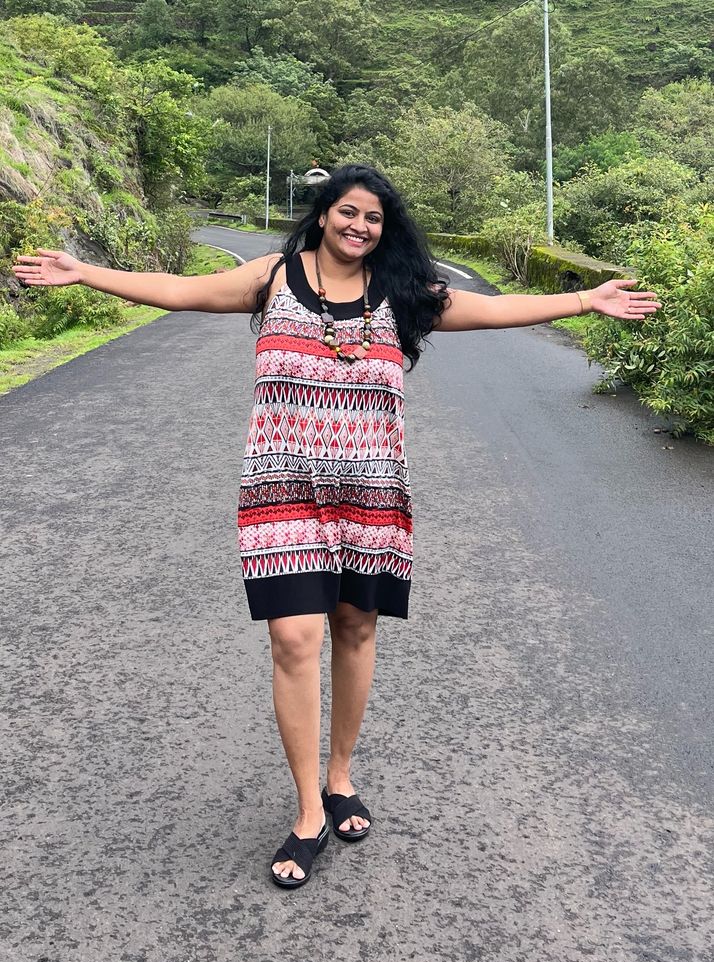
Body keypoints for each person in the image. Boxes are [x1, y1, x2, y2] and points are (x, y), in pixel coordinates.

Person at [12, 163, 662, 889]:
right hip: (281, 488)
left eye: (374, 219)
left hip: (371, 493)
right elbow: (180, 292)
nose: (360, 227)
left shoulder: (403, 297)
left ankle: (341, 774)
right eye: (348, 212)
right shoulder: (272, 278)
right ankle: (306, 813)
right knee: (294, 637)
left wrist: (585, 300)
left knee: (355, 627)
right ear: (324, 213)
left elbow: (494, 311)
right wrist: (84, 273)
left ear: (385, 229)